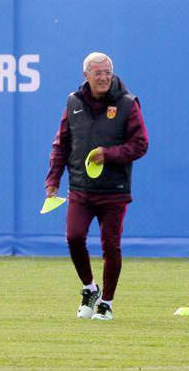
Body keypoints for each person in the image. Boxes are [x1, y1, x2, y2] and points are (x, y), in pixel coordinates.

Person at [44, 52, 149, 321]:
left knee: (110, 246)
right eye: (97, 73)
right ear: (86, 76)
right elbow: (61, 145)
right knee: (74, 237)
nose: (103, 78)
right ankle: (90, 288)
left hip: (114, 190)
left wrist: (109, 154)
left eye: (107, 73)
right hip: (80, 188)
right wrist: (52, 183)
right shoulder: (73, 103)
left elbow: (141, 145)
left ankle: (106, 302)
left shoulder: (127, 104)